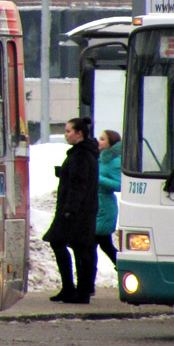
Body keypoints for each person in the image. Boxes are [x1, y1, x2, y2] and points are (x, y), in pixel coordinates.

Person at [44, 116, 100, 304]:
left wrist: (69, 209)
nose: (66, 135)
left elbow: (79, 184)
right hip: (82, 210)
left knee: (65, 244)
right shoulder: (83, 153)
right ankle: (76, 289)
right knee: (79, 249)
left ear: (79, 133)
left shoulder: (81, 155)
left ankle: (75, 289)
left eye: (68, 131)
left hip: (76, 212)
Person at [94, 129, 122, 275]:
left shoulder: (114, 161)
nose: (99, 141)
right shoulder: (101, 158)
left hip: (105, 208)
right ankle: (124, 268)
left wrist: (97, 178)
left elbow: (119, 184)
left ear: (111, 143)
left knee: (94, 244)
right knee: (105, 245)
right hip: (96, 206)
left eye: (103, 139)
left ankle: (86, 285)